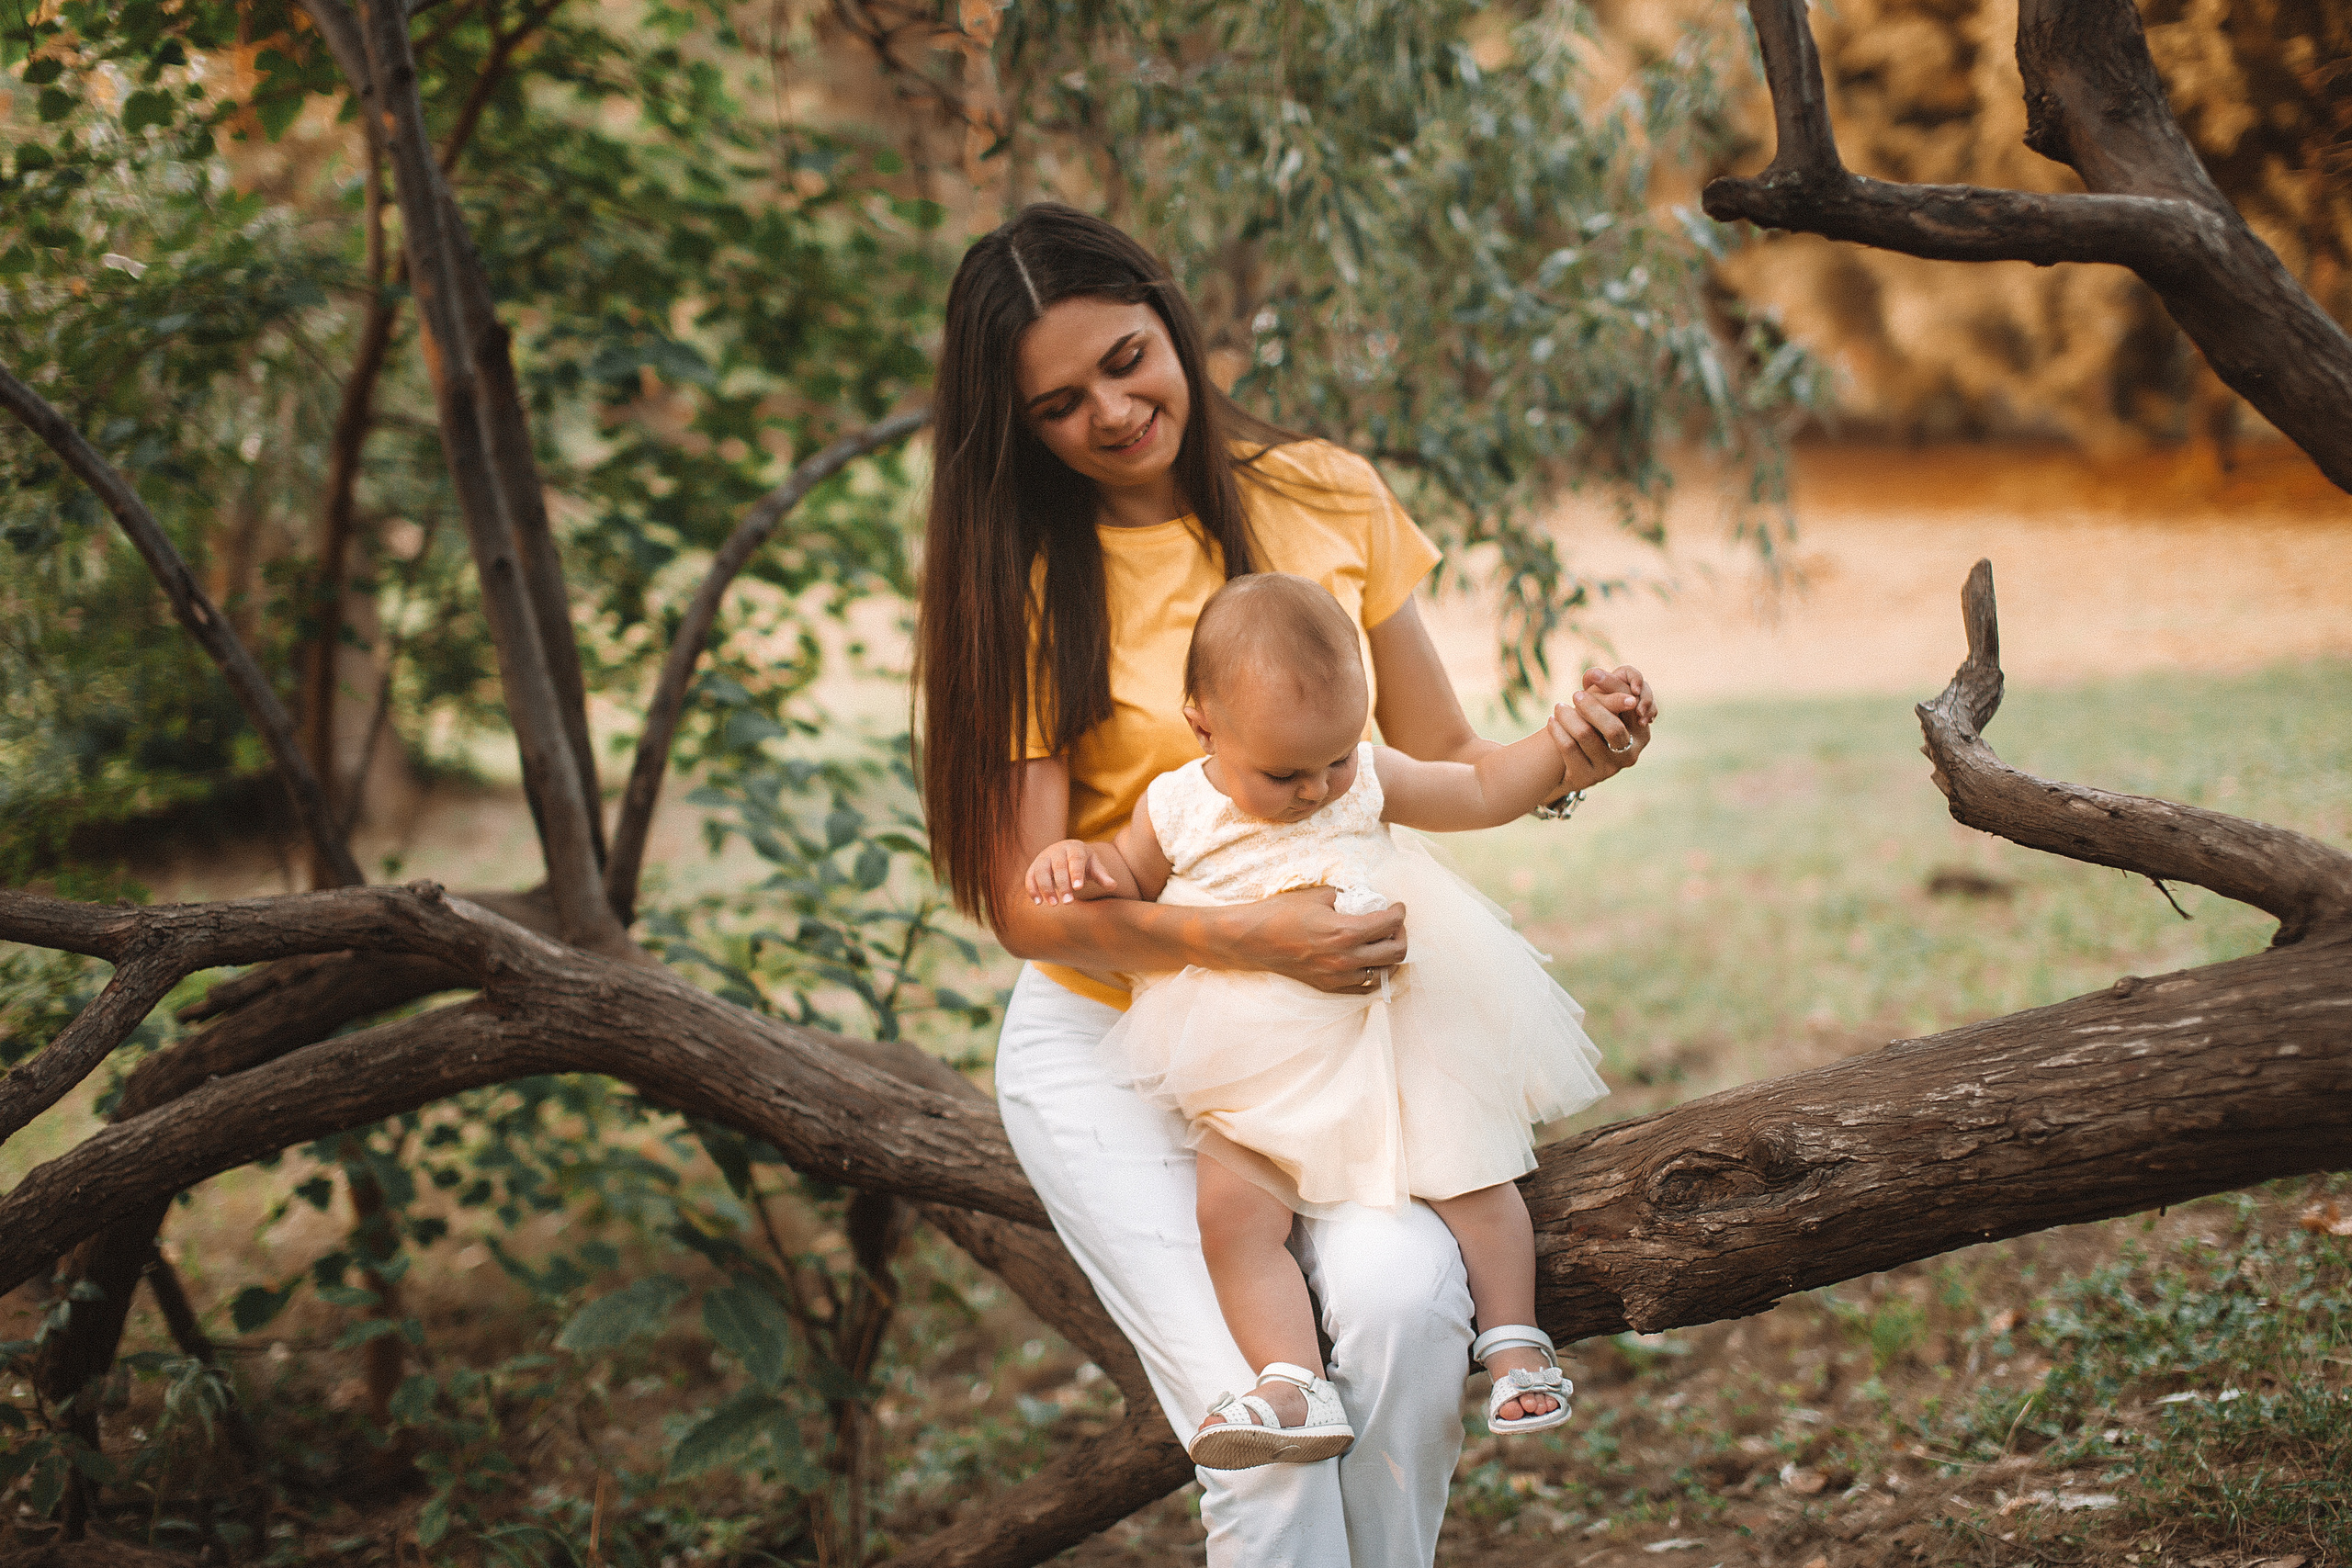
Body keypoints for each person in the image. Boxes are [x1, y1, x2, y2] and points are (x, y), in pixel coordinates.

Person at [915, 202, 1656, 1565]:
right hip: (1119, 1033)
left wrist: (1576, 751)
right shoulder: (1031, 581)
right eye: (1061, 402)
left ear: (1169, 314)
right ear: (1018, 426)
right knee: (1265, 1441)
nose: (1116, 411)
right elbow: (1029, 903)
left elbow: (1436, 758)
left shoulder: (1328, 492)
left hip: (1344, 1029)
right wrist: (1244, 934)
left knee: (1408, 1310)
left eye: (1130, 359)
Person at [1020, 572, 1615, 1469]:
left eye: (1334, 759)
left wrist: (1564, 746)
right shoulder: (1177, 804)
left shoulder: (1365, 778)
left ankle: (1516, 1343)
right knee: (1230, 1213)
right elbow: (1123, 877)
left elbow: (1484, 786)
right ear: (1202, 724)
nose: (1317, 790)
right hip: (1259, 1063)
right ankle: (1290, 1381)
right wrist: (1076, 860)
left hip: (1393, 1036)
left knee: (1473, 1174)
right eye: (1285, 773)